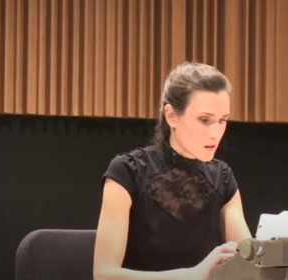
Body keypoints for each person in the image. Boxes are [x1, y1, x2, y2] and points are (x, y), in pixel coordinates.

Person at [93, 62, 253, 280]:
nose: (216, 133)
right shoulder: (128, 171)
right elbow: (104, 275)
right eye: (204, 120)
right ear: (172, 116)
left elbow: (249, 264)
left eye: (222, 120)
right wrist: (193, 275)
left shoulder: (222, 177)